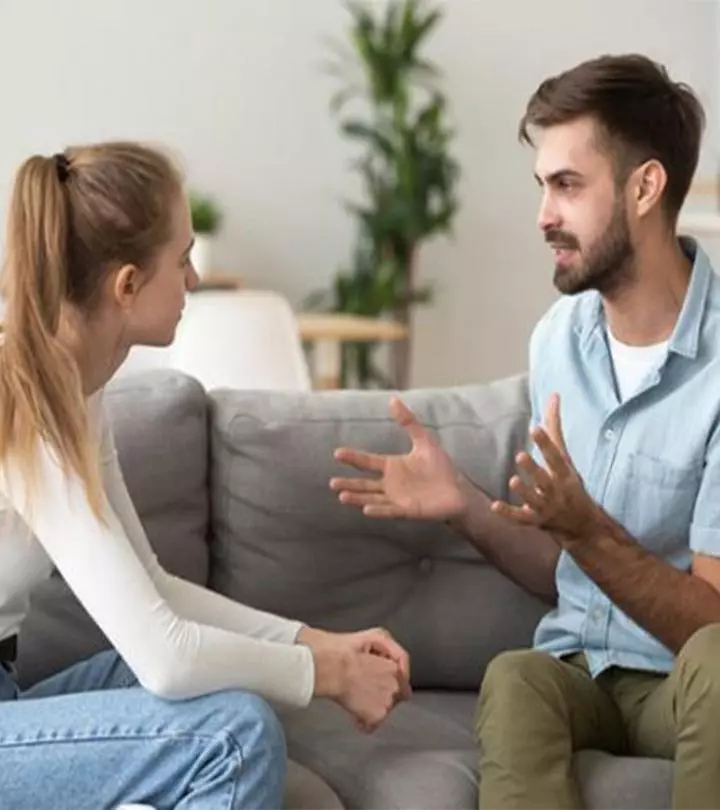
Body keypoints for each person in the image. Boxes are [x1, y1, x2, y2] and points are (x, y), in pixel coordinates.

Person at [329, 54, 720, 808]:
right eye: (542, 186)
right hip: (578, 675)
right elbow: (567, 572)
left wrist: (588, 530)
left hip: (684, 683)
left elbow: (709, 623)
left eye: (567, 185)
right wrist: (465, 505)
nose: (544, 215)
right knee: (515, 677)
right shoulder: (558, 340)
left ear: (645, 187)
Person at [0, 142, 411, 810]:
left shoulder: (76, 390)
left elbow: (157, 592)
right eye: (182, 258)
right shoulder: (25, 403)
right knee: (234, 737)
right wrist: (329, 674)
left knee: (220, 690)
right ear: (127, 285)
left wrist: (316, 641)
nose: (193, 280)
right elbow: (167, 655)